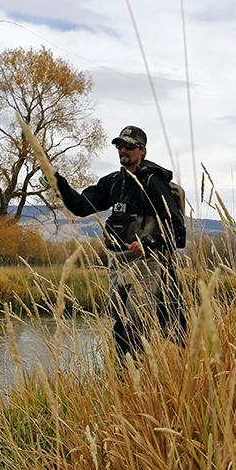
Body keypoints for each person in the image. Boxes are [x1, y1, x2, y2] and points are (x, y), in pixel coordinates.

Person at [49, 125, 187, 362]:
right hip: (118, 266)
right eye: (119, 145)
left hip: (148, 265)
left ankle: (140, 379)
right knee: (121, 325)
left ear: (142, 150)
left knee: (137, 325)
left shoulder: (153, 182)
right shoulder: (113, 182)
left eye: (129, 146)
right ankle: (128, 380)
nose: (123, 150)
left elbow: (177, 230)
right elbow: (81, 206)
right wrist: (57, 180)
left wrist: (148, 243)